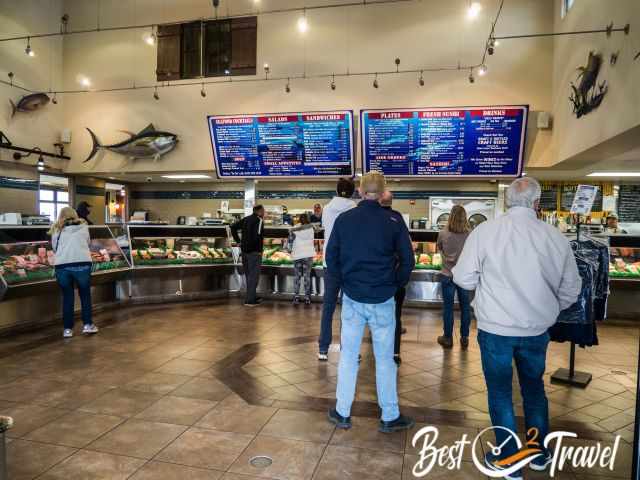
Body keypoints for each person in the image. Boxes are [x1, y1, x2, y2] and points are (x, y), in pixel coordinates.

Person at [453, 177, 581, 479]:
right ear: (537, 203)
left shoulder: (485, 232)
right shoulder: (555, 237)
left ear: (506, 202)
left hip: (495, 329)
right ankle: (538, 454)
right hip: (536, 331)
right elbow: (571, 288)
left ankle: (510, 460)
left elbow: (463, 278)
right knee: (534, 390)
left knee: (500, 393)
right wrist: (548, 309)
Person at [326, 172, 415, 433]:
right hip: (383, 299)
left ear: (360, 191)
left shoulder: (344, 220)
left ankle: (342, 412)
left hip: (353, 299)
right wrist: (394, 284)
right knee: (385, 359)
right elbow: (408, 261)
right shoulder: (394, 220)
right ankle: (389, 415)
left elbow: (332, 259)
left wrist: (345, 283)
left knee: (348, 357)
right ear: (383, 191)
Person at [318, 178, 356, 361]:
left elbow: (326, 229)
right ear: (352, 192)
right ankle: (347, 349)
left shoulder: (327, 208)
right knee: (348, 308)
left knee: (328, 307)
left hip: (329, 263)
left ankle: (323, 348)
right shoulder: (355, 208)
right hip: (349, 264)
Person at [49, 207, 99, 338]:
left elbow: (54, 247)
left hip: (62, 265)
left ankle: (67, 330)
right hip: (82, 264)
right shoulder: (83, 226)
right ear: (75, 214)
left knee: (67, 297)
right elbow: (87, 243)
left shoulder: (56, 228)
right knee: (85, 295)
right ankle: (87, 325)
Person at [436, 205, 472, 350]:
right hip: (463, 276)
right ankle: (464, 338)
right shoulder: (470, 234)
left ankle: (448, 338)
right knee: (465, 308)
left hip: (447, 275)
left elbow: (439, 248)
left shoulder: (443, 233)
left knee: (448, 308)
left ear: (450, 216)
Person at [379, 191, 408, 365]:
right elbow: (407, 256)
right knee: (396, 317)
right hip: (394, 279)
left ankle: (379, 351)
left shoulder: (373, 219)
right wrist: (401, 280)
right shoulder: (397, 218)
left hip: (377, 280)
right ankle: (395, 352)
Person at [231, 205, 265, 307]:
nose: (264, 213)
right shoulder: (259, 221)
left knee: (249, 275)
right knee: (254, 276)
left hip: (244, 251)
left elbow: (233, 227)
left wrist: (239, 242)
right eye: (263, 211)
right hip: (254, 252)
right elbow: (257, 237)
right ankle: (250, 300)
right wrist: (258, 250)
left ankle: (252, 296)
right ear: (260, 211)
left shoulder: (246, 219)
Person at [289, 213, 315, 305]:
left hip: (297, 255)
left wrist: (289, 249)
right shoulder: (311, 228)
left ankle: (296, 297)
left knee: (297, 276)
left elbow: (290, 240)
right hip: (308, 255)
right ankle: (307, 297)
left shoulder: (295, 228)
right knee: (307, 277)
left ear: (299, 219)